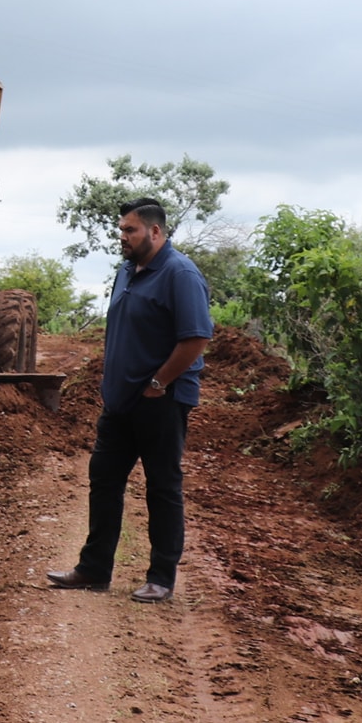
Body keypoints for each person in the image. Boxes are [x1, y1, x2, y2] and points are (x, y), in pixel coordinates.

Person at [47, 196, 212, 603]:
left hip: (161, 400)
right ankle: (94, 568)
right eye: (121, 229)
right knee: (104, 480)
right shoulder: (126, 271)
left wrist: (158, 382)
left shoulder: (180, 274)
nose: (122, 236)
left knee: (162, 487)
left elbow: (196, 338)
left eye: (129, 230)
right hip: (120, 401)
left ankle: (161, 578)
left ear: (155, 231)